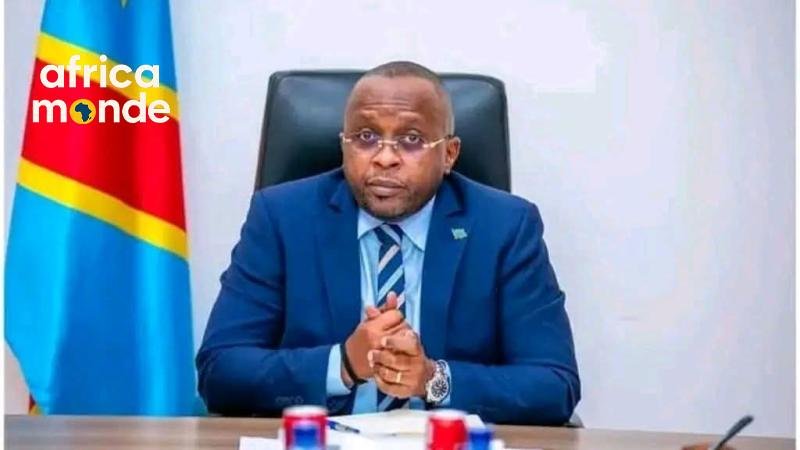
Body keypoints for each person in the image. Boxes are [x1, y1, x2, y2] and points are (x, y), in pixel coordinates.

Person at [196, 61, 580, 425]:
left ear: (449, 154)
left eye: (411, 140)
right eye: (366, 137)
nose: (384, 158)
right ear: (344, 145)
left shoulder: (505, 227)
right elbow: (220, 370)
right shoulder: (281, 218)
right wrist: (343, 364)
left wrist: (432, 378)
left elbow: (554, 384)